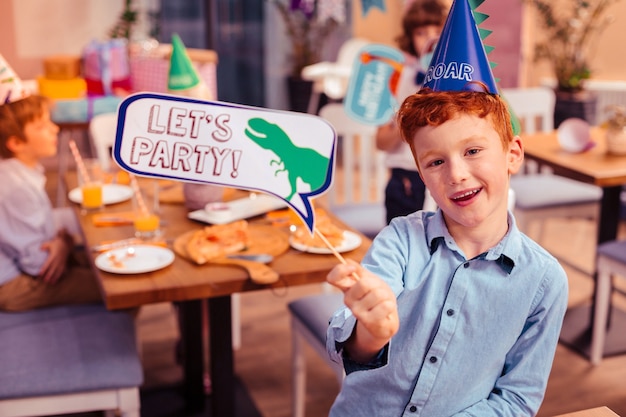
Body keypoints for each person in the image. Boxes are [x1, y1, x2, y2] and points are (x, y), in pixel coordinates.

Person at [325, 86, 569, 416]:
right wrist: (371, 334)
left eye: (472, 151)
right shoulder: (400, 239)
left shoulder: (543, 281)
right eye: (436, 161)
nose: (456, 174)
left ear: (512, 154)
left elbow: (517, 399)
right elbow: (351, 343)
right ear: (422, 174)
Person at [0, 94, 102, 311]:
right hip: (14, 285)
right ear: (16, 143)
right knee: (112, 285)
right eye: (41, 126)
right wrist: (64, 245)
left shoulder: (20, 172)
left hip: (28, 266)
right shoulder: (16, 186)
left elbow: (39, 231)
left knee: (102, 259)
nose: (54, 129)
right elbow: (40, 265)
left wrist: (63, 240)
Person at [376, 0, 450, 223]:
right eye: (421, 32)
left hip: (447, 177)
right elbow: (381, 142)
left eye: (437, 31)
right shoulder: (397, 81)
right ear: (410, 38)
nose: (430, 39)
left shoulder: (458, 83)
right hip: (405, 181)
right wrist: (405, 117)